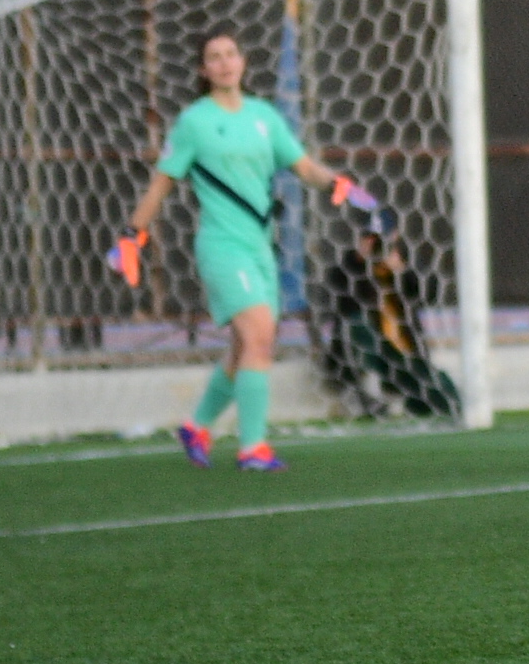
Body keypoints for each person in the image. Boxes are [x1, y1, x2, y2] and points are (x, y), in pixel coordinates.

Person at [111, 30, 378, 471]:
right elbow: (162, 182)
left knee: (244, 346)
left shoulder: (264, 116)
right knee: (258, 337)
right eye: (214, 57)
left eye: (231, 54)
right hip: (222, 246)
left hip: (260, 248)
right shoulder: (195, 122)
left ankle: (196, 426)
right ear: (203, 70)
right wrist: (131, 234)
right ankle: (253, 447)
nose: (224, 63)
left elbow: (304, 167)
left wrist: (342, 187)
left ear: (243, 61)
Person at [322, 219, 463, 422]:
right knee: (357, 324)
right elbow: (338, 300)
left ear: (394, 237)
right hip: (372, 354)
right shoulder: (349, 268)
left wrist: (401, 270)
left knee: (443, 395)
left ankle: (418, 401)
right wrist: (359, 261)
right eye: (370, 239)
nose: (376, 245)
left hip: (403, 355)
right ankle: (368, 390)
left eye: (381, 239)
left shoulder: (404, 262)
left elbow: (430, 293)